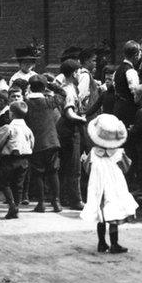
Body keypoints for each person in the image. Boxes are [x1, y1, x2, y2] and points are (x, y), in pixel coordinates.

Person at [80, 114, 138, 253]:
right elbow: (126, 168)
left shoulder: (93, 153)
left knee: (101, 214)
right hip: (114, 186)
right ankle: (114, 244)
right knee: (114, 214)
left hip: (98, 186)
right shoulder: (119, 153)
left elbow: (87, 169)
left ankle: (101, 243)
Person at [24, 74, 65, 212]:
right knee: (53, 172)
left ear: (30, 87)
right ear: (43, 88)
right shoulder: (49, 102)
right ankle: (56, 203)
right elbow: (62, 93)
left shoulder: (26, 103)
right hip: (51, 142)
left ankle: (41, 203)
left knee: (38, 174)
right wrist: (50, 84)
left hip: (35, 144)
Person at [57, 59, 90, 210]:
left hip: (63, 128)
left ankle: (63, 197)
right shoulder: (70, 90)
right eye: (78, 71)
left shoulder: (64, 87)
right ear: (74, 73)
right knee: (74, 166)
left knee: (65, 165)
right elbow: (69, 113)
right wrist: (81, 119)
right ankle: (76, 200)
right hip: (71, 128)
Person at [0, 100, 34, 219]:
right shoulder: (28, 129)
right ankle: (16, 206)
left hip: (9, 159)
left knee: (5, 182)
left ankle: (11, 205)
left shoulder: (9, 128)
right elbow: (32, 143)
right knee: (18, 184)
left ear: (11, 113)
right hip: (24, 160)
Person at [112, 41, 142, 126]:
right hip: (128, 110)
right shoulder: (131, 71)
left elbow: (115, 85)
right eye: (139, 54)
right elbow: (136, 92)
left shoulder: (118, 69)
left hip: (118, 106)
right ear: (136, 55)